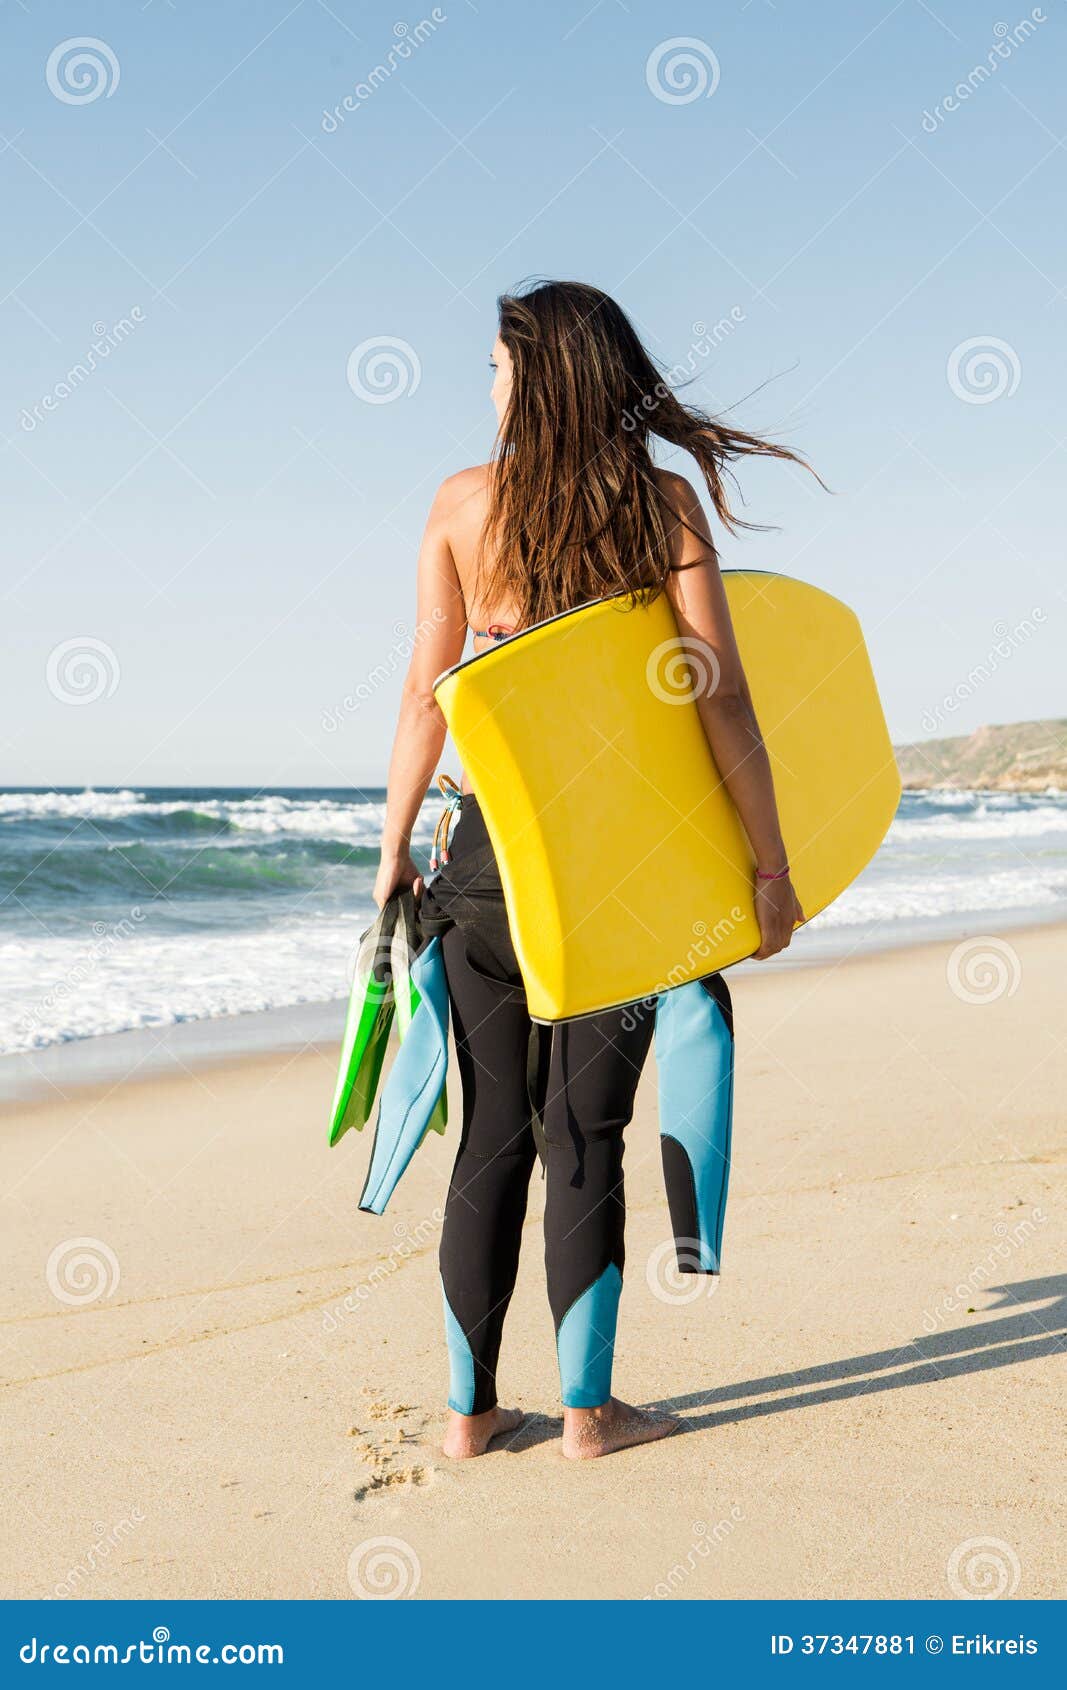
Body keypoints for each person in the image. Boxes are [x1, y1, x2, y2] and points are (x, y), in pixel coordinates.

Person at [373, 279, 807, 1460]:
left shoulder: (461, 505)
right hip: (616, 880)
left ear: (539, 377)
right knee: (581, 1139)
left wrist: (392, 852)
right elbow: (717, 696)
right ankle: (587, 1414)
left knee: (489, 1141)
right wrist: (768, 867)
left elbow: (425, 696)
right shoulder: (658, 506)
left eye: (498, 367)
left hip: (482, 870)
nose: (489, 385)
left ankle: (468, 1416)